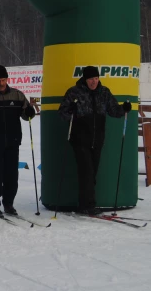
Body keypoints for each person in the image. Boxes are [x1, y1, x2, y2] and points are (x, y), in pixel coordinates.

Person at [58, 65, 130, 215]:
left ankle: (87, 203)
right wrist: (70, 109)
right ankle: (86, 205)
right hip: (80, 139)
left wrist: (124, 108)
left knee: (92, 172)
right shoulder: (74, 92)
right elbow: (63, 114)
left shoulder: (104, 92)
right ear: (85, 79)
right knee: (87, 172)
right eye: (91, 79)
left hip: (97, 139)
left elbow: (114, 110)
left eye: (96, 78)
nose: (94, 81)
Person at [0, 65, 35, 217]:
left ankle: (8, 203)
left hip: (13, 140)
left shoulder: (17, 95)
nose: (1, 83)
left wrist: (30, 112)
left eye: (3, 80)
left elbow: (26, 114)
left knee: (11, 174)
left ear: (7, 79)